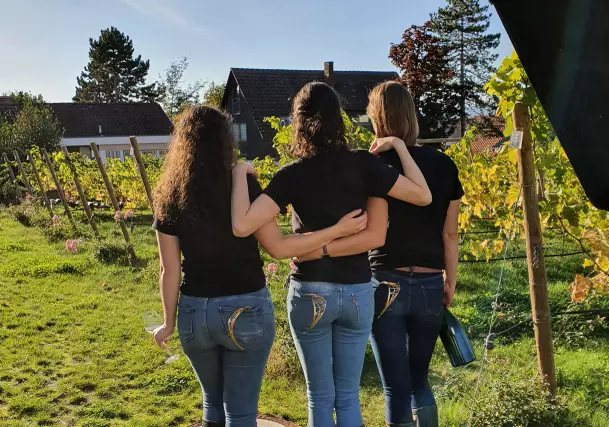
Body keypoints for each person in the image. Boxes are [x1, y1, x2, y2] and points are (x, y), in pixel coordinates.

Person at [150, 105, 369, 427]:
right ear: (226, 142)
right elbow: (278, 246)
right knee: (240, 415)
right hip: (244, 309)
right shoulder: (244, 189)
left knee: (212, 406)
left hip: (195, 312)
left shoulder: (170, 195)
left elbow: (169, 270)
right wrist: (336, 231)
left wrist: (168, 322)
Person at [231, 81, 432, 427]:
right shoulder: (363, 166)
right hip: (356, 292)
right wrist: (399, 145)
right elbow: (422, 196)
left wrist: (238, 173)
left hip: (310, 291)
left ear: (298, 123)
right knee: (349, 396)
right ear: (338, 119)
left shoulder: (291, 175)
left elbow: (243, 225)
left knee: (319, 397)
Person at [298, 82, 463, 426]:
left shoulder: (372, 164)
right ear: (412, 116)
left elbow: (364, 227)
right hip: (431, 282)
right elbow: (450, 234)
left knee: (395, 386)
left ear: (376, 118)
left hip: (384, 281)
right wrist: (451, 280)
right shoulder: (445, 165)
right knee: (419, 380)